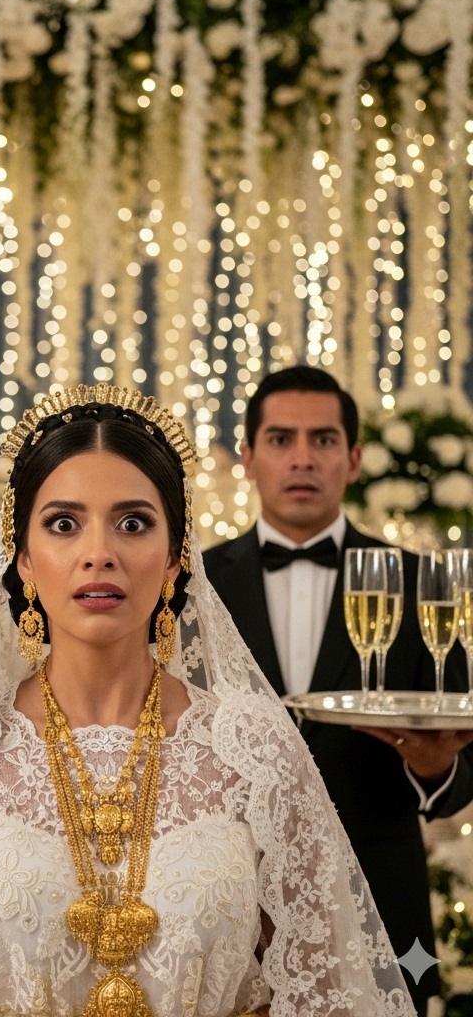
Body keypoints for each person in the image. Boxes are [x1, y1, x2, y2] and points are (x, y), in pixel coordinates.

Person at [0, 382, 417, 1017]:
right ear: (23, 557)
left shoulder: (251, 745)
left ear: (174, 558)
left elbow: (325, 991)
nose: (99, 554)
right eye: (63, 524)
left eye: (133, 523)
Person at [202, 364, 473, 1016]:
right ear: (248, 457)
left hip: (383, 899)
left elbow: (462, 760)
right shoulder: (194, 588)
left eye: (323, 440)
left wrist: (436, 771)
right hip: (228, 904)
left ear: (353, 459)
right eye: (281, 439)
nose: (302, 458)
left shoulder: (422, 585)